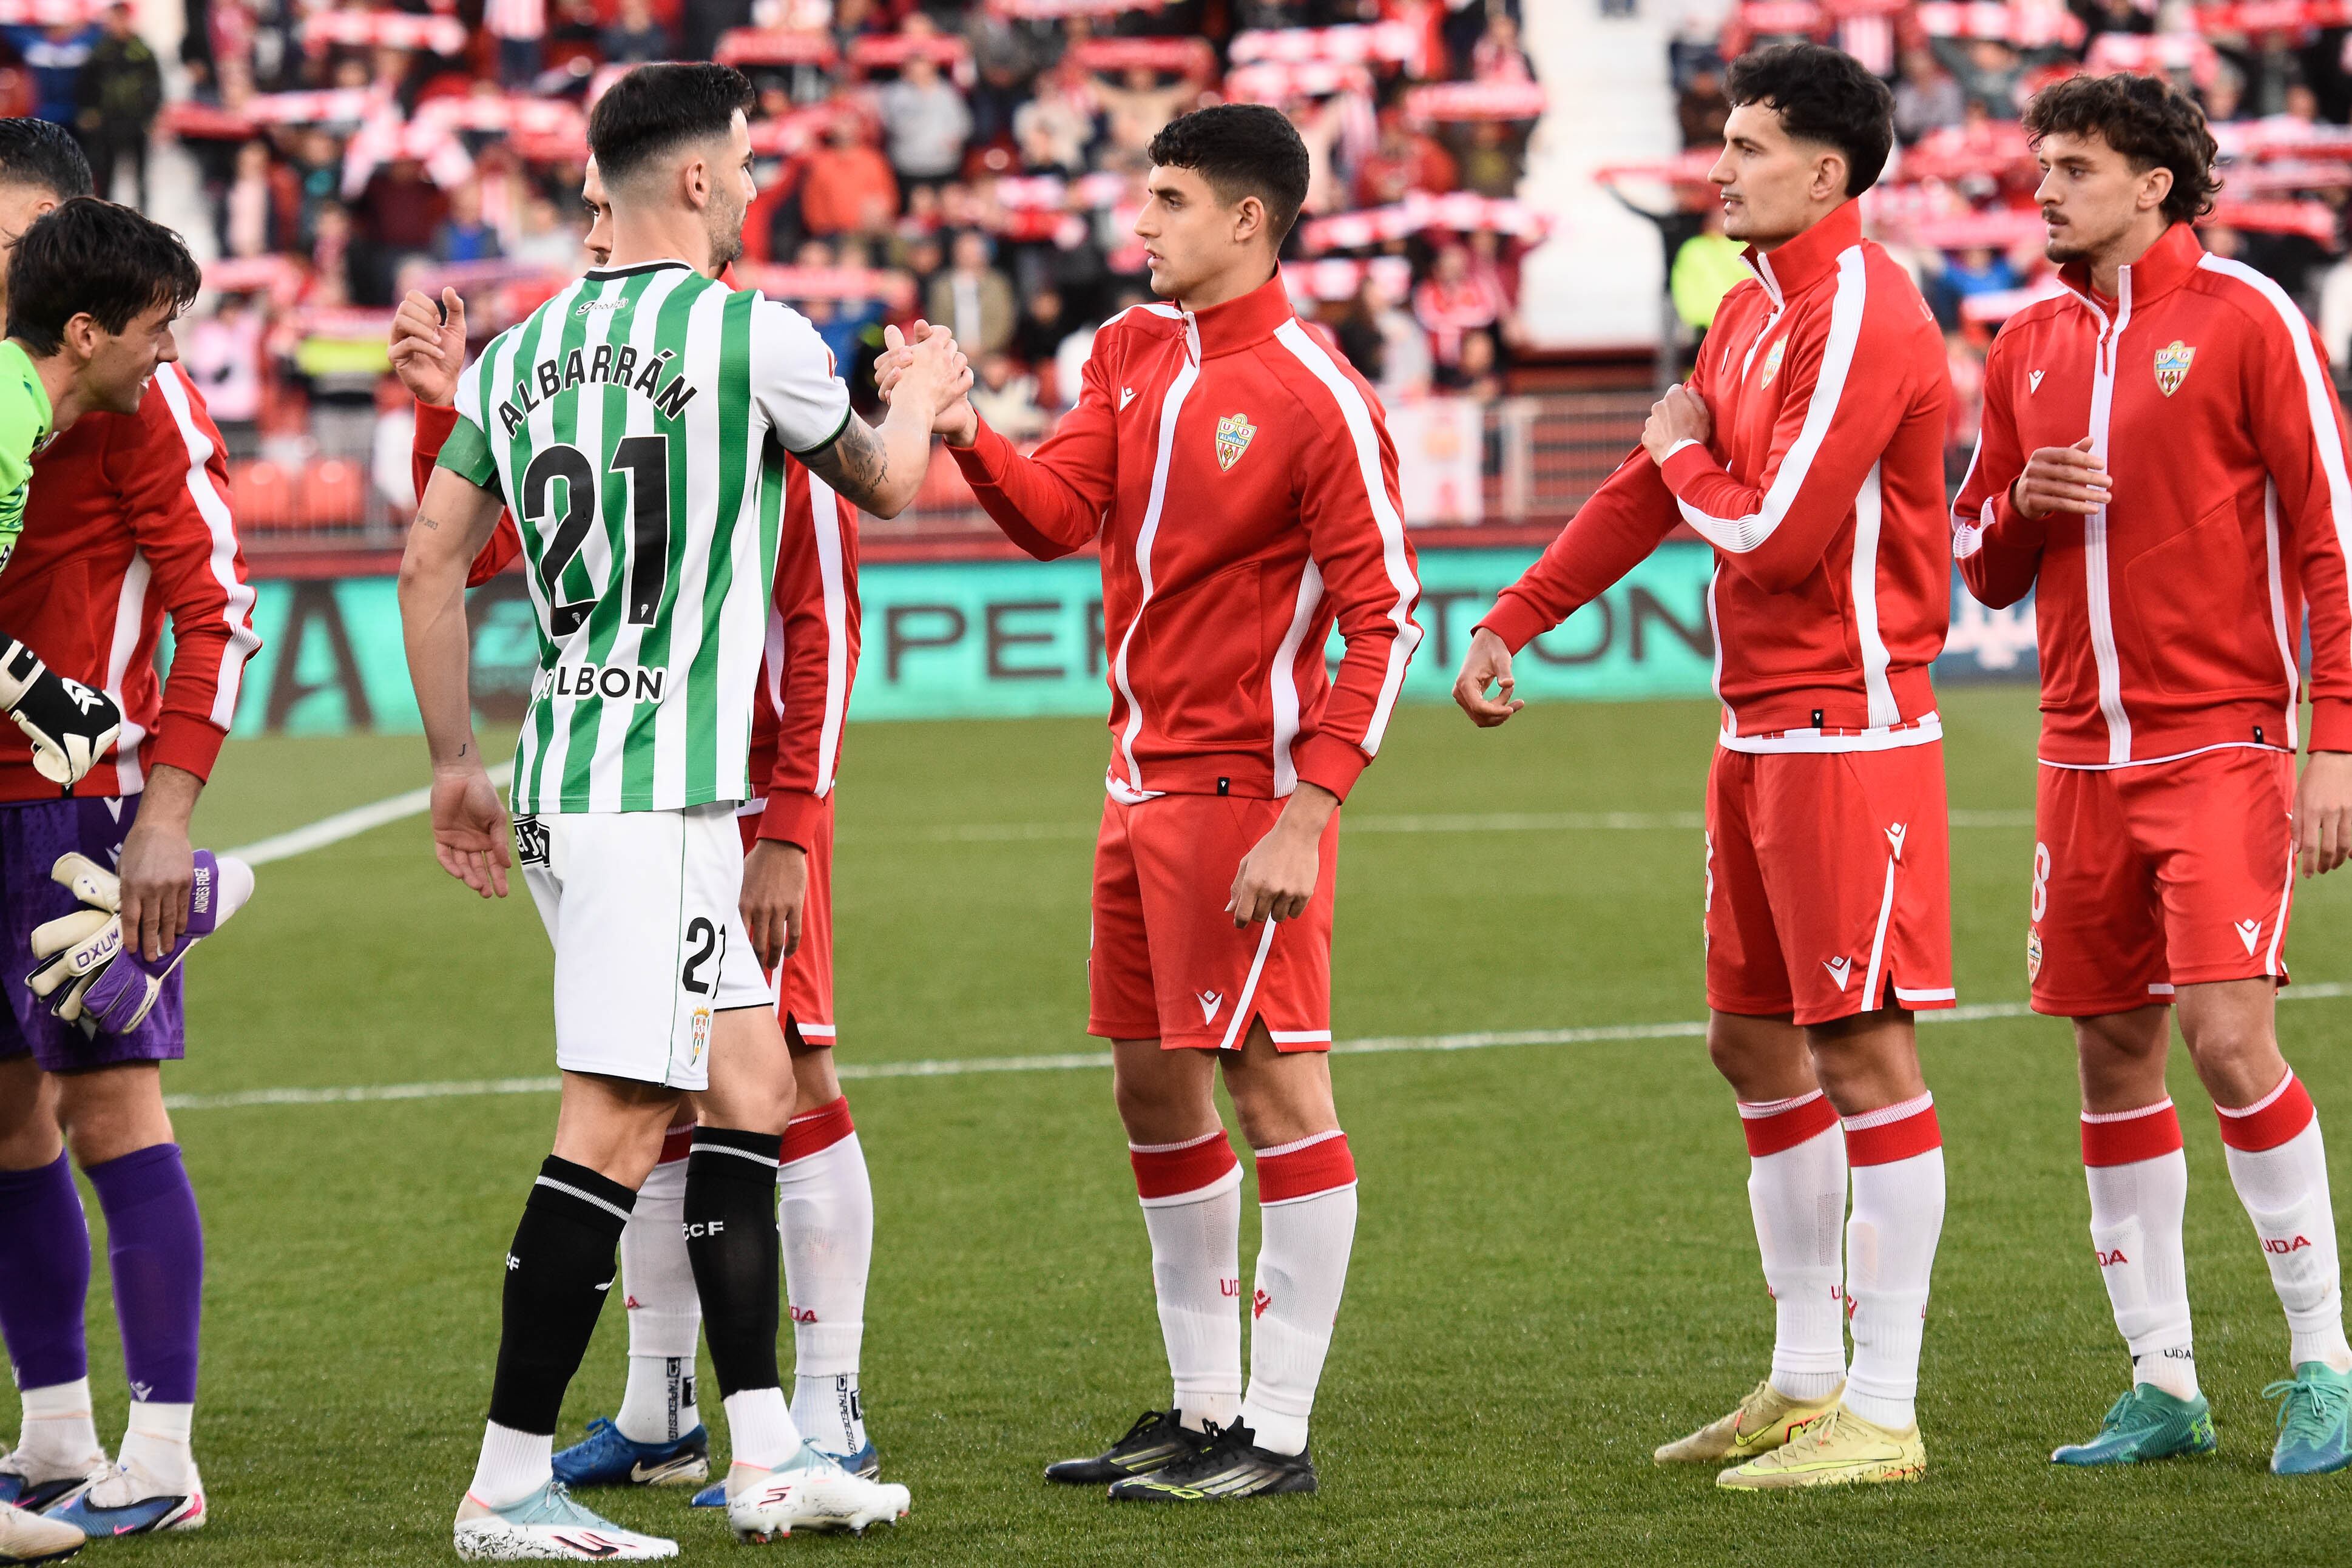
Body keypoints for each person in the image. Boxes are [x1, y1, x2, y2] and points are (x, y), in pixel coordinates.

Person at [397, 62, 961, 1559]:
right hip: (655, 797)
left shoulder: (513, 358)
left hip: (580, 778)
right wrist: (918, 394)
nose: (761, 180)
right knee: (620, 1116)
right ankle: (508, 1479)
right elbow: (888, 488)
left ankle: (770, 1452)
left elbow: (430, 558)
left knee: (750, 1084)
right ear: (699, 179)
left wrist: (457, 760)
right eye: (751, 161)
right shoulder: (751, 337)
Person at [879, 102, 1423, 1502]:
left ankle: (1277, 1437)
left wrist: (1310, 810)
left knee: (1274, 1085)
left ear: (1247, 221)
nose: (1140, 223)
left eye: (1169, 199)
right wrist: (962, 431)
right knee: (1148, 1084)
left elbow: (1386, 613)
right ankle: (1200, 1407)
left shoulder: (1317, 391)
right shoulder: (1125, 350)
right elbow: (1061, 512)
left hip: (1244, 793)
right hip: (1134, 781)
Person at [1453, 42, 1955, 1489]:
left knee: (1861, 1052)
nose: (1716, 168)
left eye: (1743, 147)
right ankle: (1803, 1379)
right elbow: (1645, 483)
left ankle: (1886, 1404)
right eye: (1718, 142)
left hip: (1850, 732)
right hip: (1757, 731)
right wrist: (1514, 615)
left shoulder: (1859, 307)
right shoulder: (1749, 308)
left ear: (1825, 169)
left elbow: (1774, 531)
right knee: (1750, 1042)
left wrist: (1678, 459)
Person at [1953, 73, 2352, 1475]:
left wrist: (2333, 751)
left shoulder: (2247, 320)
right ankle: (2161, 1385)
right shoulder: (2021, 344)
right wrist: (2016, 504)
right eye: (2035, 164)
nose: (2041, 188)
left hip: (2223, 748)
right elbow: (1980, 566)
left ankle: (2321, 1363)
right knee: (2109, 1054)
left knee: (2225, 1037)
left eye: (2069, 167)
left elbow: (2328, 545)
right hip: (2077, 764)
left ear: (2152, 187)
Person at [0, 119, 257, 1555]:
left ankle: (160, 1451)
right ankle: (51, 1435)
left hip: (72, 809)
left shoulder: (137, 396)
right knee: (4, 1125)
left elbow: (218, 601)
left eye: (26, 242)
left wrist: (163, 813)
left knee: (109, 1111)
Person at [73, 5, 158, 209]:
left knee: (140, 175)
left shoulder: (142, 51)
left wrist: (152, 116)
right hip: (108, 122)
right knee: (105, 173)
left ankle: (143, 215)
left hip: (136, 121)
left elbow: (154, 85)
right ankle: (106, 213)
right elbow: (87, 83)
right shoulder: (101, 50)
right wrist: (89, 111)